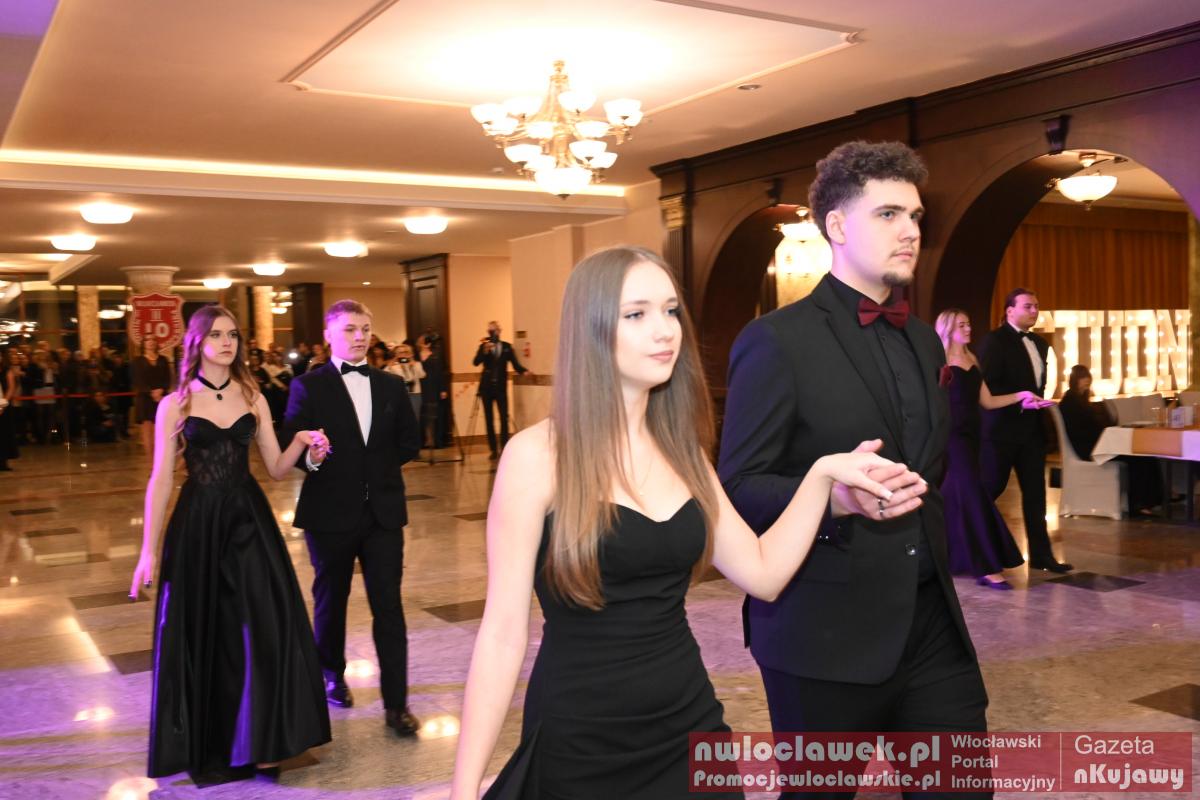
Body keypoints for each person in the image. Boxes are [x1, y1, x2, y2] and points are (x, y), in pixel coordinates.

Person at [449, 246, 915, 800]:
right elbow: (503, 634)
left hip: (686, 723)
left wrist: (819, 480)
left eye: (671, 311)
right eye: (636, 314)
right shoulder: (537, 457)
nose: (665, 330)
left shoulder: (683, 453)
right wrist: (463, 791)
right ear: (591, 330)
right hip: (581, 736)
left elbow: (763, 573)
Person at [718, 141, 992, 800]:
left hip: (931, 627)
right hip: (822, 634)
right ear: (838, 226)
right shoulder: (776, 340)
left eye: (915, 216)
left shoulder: (924, 340)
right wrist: (834, 499)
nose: (911, 231)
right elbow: (739, 489)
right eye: (889, 214)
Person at [129, 305, 331, 786]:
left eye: (233, 335)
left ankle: (262, 742)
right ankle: (219, 739)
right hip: (198, 523)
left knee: (261, 624)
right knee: (209, 630)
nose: (226, 343)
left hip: (248, 520)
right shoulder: (176, 403)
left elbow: (276, 468)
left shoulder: (252, 396)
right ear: (196, 342)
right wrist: (148, 550)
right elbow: (161, 479)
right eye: (216, 335)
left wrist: (305, 446)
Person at [283, 300, 422, 736]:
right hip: (329, 514)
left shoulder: (391, 385)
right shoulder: (307, 386)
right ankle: (331, 674)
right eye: (349, 329)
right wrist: (315, 458)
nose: (359, 336)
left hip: (383, 514)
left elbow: (408, 443)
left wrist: (374, 473)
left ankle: (397, 704)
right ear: (329, 335)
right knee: (331, 599)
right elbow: (293, 444)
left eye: (364, 328)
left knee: (389, 607)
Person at [936, 309, 1050, 589]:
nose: (968, 329)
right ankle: (986, 565)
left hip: (974, 436)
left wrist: (1022, 397)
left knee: (953, 496)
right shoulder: (939, 361)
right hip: (952, 436)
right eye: (961, 325)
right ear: (948, 329)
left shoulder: (972, 359)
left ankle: (939, 556)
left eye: (968, 323)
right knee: (973, 493)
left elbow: (988, 401)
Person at [979, 289, 1073, 573]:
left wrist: (1037, 403)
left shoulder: (1041, 344)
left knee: (1036, 496)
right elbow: (986, 387)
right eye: (1028, 306)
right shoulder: (994, 341)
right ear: (1009, 311)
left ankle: (1042, 556)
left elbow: (1036, 385)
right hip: (1001, 430)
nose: (1034, 311)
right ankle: (973, 549)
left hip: (1032, 430)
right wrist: (1019, 401)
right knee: (990, 489)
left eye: (1036, 306)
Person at [1059, 364, 1163, 516]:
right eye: (1082, 377)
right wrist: (1106, 432)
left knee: (1144, 454)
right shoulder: (1070, 403)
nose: (1086, 380)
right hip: (1089, 448)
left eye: (1087, 376)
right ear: (1075, 380)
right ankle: (1139, 504)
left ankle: (1152, 500)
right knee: (1139, 457)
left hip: (1095, 444)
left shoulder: (1080, 401)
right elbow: (1082, 431)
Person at [472, 321, 527, 458]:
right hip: (486, 388)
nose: (492, 333)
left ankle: (504, 447)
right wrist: (484, 351)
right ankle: (493, 450)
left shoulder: (507, 347)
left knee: (504, 417)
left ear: (499, 331)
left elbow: (515, 364)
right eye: (489, 330)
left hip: (501, 388)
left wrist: (524, 371)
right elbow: (476, 362)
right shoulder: (484, 346)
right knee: (489, 419)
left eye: (494, 330)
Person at [132, 337, 172, 454]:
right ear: (143, 343)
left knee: (160, 432)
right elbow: (137, 380)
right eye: (147, 340)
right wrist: (151, 392)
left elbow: (168, 378)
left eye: (153, 339)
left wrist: (161, 390)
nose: (150, 342)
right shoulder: (138, 361)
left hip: (161, 398)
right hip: (145, 399)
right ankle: (151, 462)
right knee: (147, 432)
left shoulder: (163, 359)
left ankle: (160, 459)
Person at [386, 343, 425, 423]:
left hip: (415, 394)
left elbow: (422, 375)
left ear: (410, 353)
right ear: (396, 354)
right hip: (400, 395)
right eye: (400, 352)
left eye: (405, 352)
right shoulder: (393, 366)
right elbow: (384, 375)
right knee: (401, 418)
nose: (403, 354)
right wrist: (390, 365)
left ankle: (414, 431)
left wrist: (413, 363)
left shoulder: (416, 364)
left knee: (415, 418)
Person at [0, 349, 19, 471]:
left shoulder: (7, 370)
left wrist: (3, 404)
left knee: (4, 433)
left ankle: (3, 462)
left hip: (5, 406)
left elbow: (11, 388)